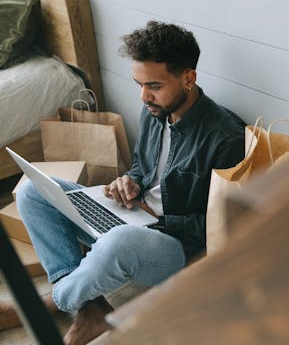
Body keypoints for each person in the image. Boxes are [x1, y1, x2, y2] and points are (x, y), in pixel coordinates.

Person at [0, 21, 245, 345]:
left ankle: (50, 303)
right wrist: (129, 182)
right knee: (33, 191)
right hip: (130, 216)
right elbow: (144, 169)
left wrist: (155, 218)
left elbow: (218, 227)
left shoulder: (226, 138)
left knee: (118, 243)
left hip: (174, 246)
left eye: (154, 85)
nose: (143, 96)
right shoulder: (155, 110)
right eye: (139, 84)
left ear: (188, 78)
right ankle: (90, 308)